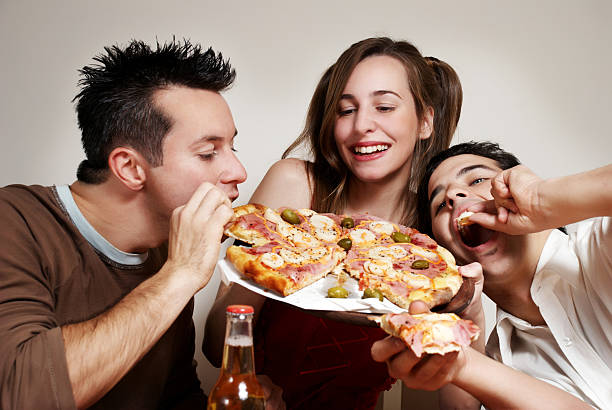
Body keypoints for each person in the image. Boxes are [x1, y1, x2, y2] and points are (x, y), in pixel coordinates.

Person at [204, 37, 463, 409]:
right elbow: (214, 345)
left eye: (385, 107)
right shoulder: (295, 186)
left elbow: (436, 397)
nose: (362, 126)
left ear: (425, 121)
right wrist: (268, 262)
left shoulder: (431, 238)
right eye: (346, 110)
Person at [0, 39, 251, 409]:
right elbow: (22, 393)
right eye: (208, 153)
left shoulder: (169, 247)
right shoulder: (14, 220)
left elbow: (176, 397)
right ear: (130, 167)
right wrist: (178, 276)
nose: (239, 172)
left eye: (233, 148)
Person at [371, 141, 611, 409]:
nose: (453, 195)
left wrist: (541, 199)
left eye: (478, 179)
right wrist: (463, 355)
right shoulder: (501, 359)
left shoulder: (601, 246)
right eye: (439, 205)